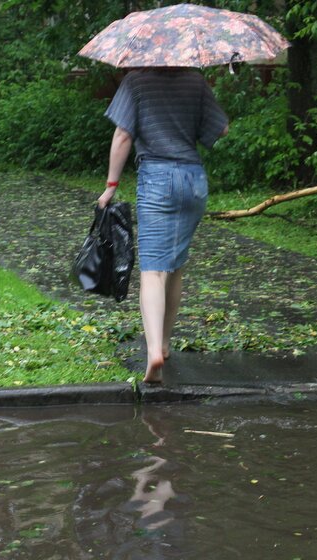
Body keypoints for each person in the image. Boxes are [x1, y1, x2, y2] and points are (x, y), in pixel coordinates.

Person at [97, 68, 229, 384]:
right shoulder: (196, 81)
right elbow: (222, 129)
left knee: (153, 270)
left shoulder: (136, 82)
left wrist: (111, 185)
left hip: (158, 179)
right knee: (176, 265)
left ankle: (153, 350)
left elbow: (123, 135)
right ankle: (166, 344)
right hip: (194, 181)